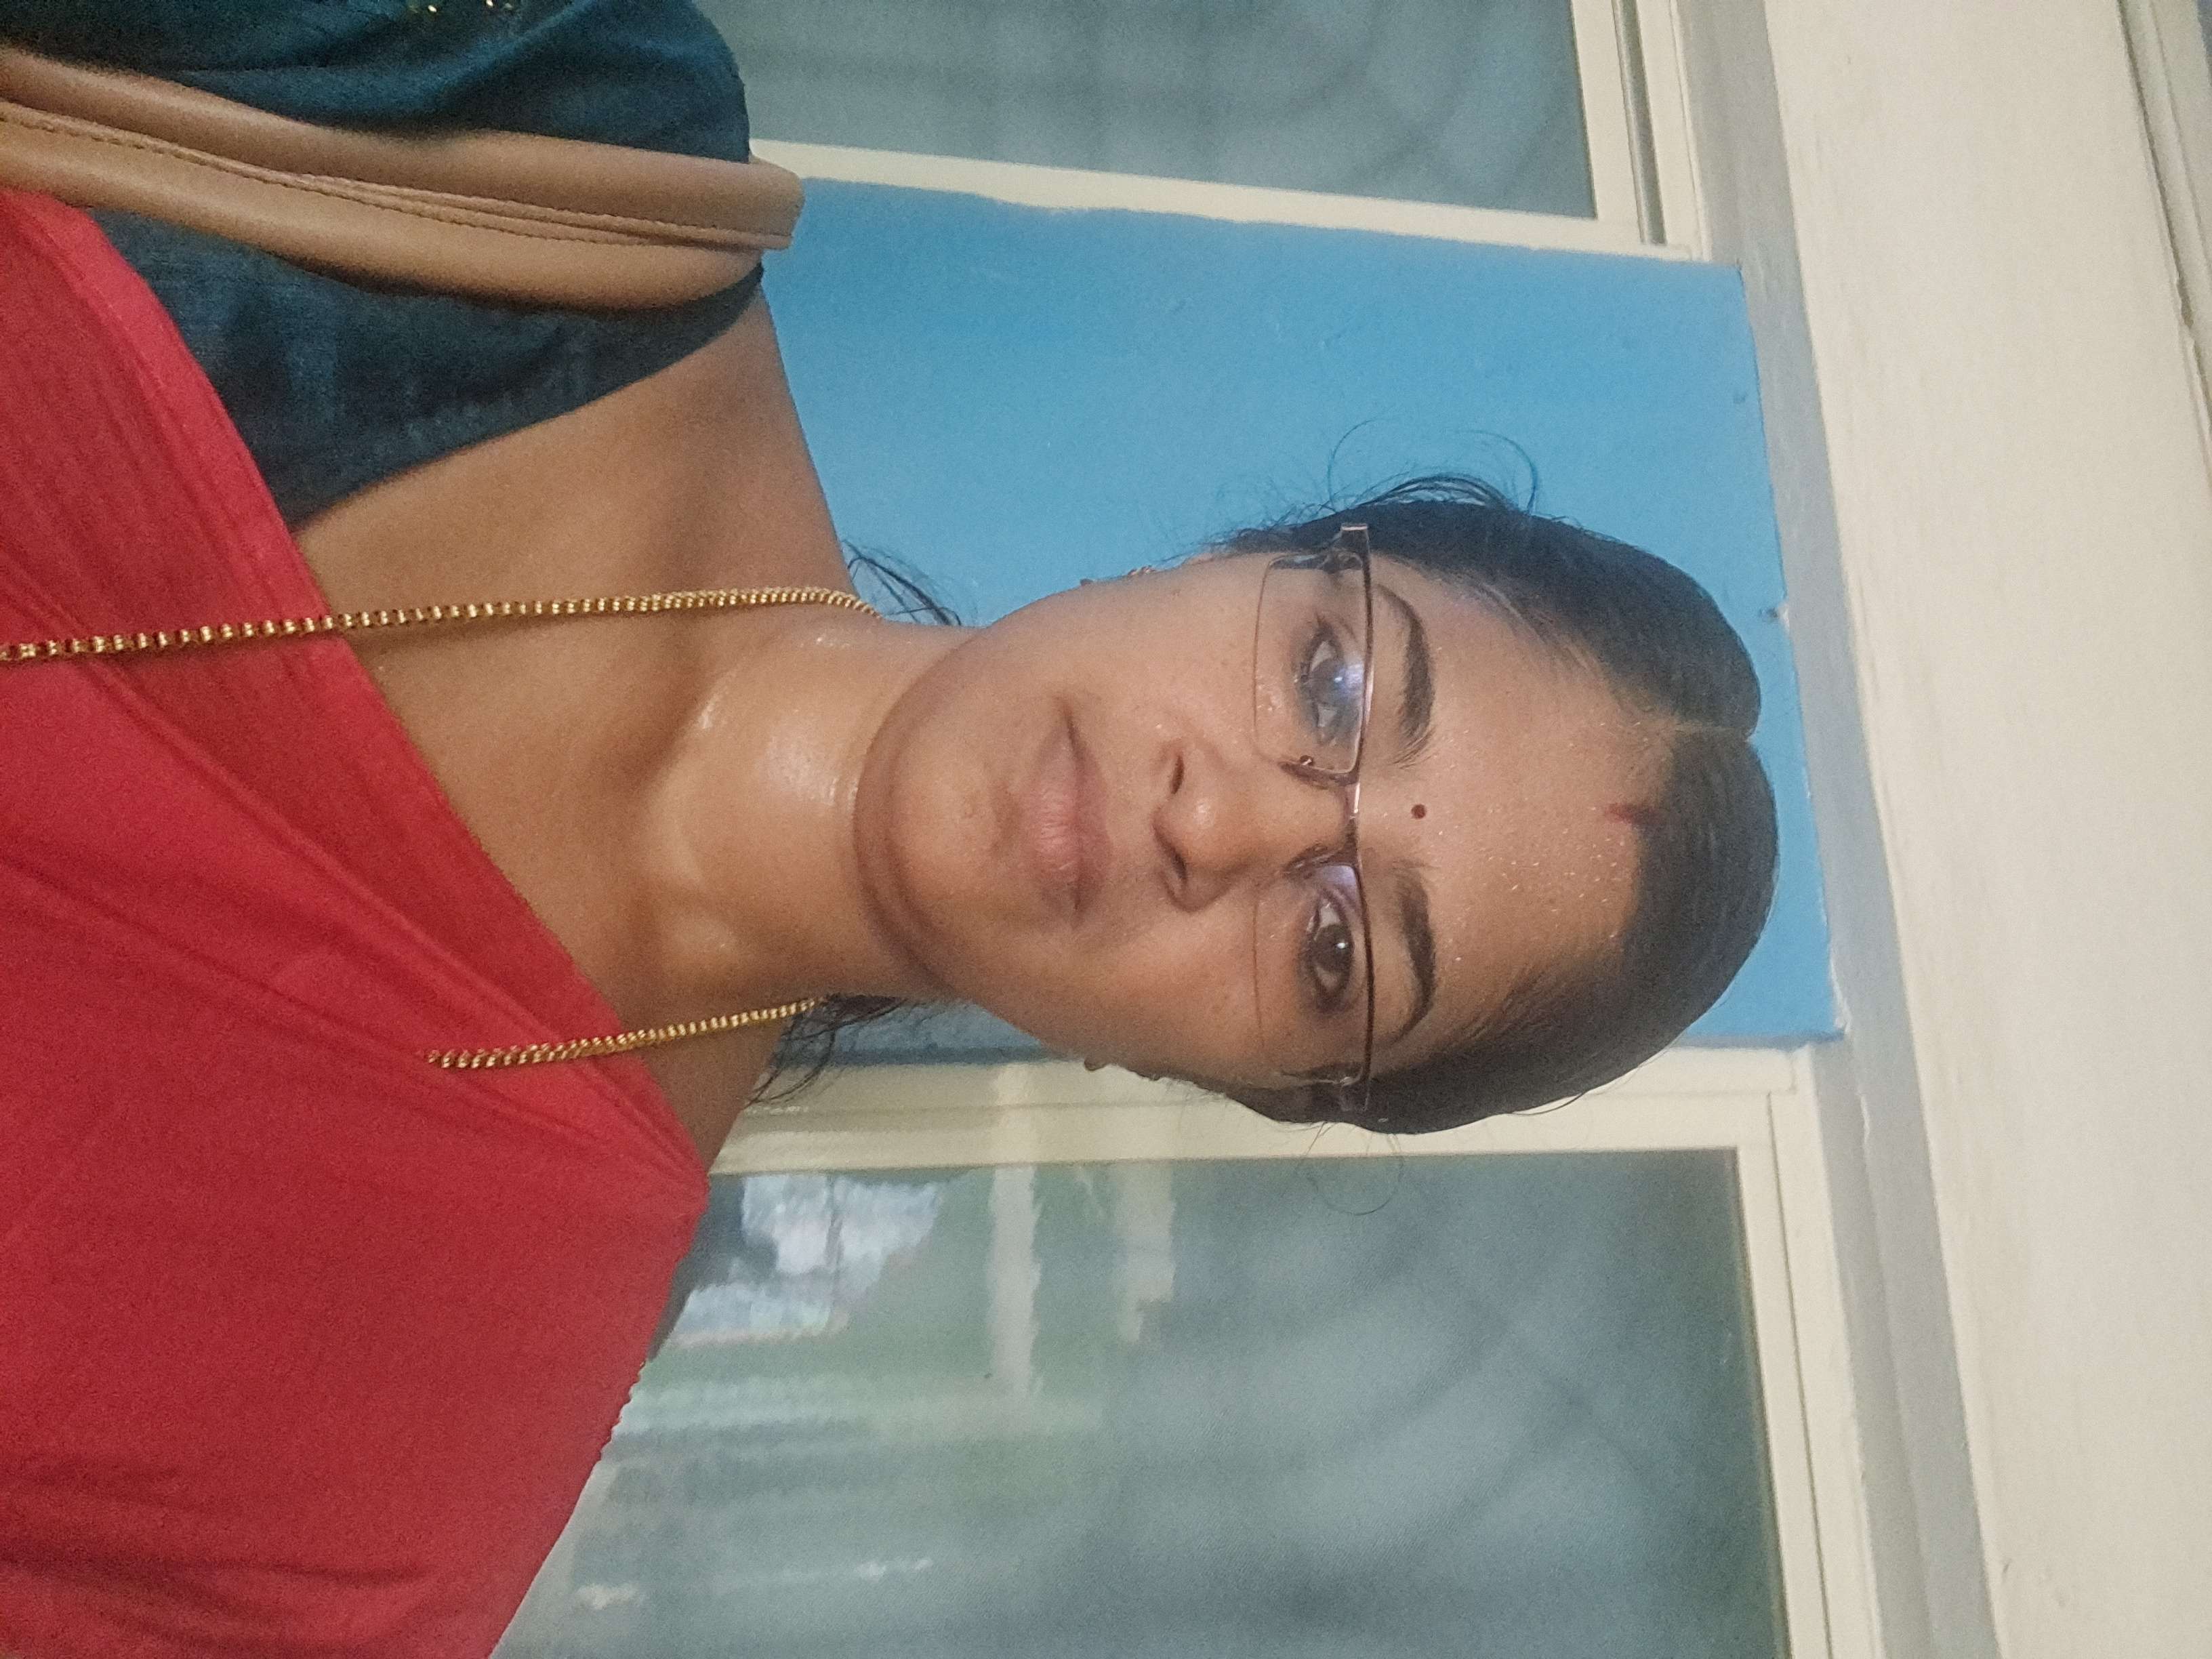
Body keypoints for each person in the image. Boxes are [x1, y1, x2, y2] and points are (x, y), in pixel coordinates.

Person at [0, 4, 1776, 1654]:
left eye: (1335, 951)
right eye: (1333, 682)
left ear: (1253, 1082)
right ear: (1256, 553)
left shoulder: (398, 1492)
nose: (1223, 818)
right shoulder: (542, 112)